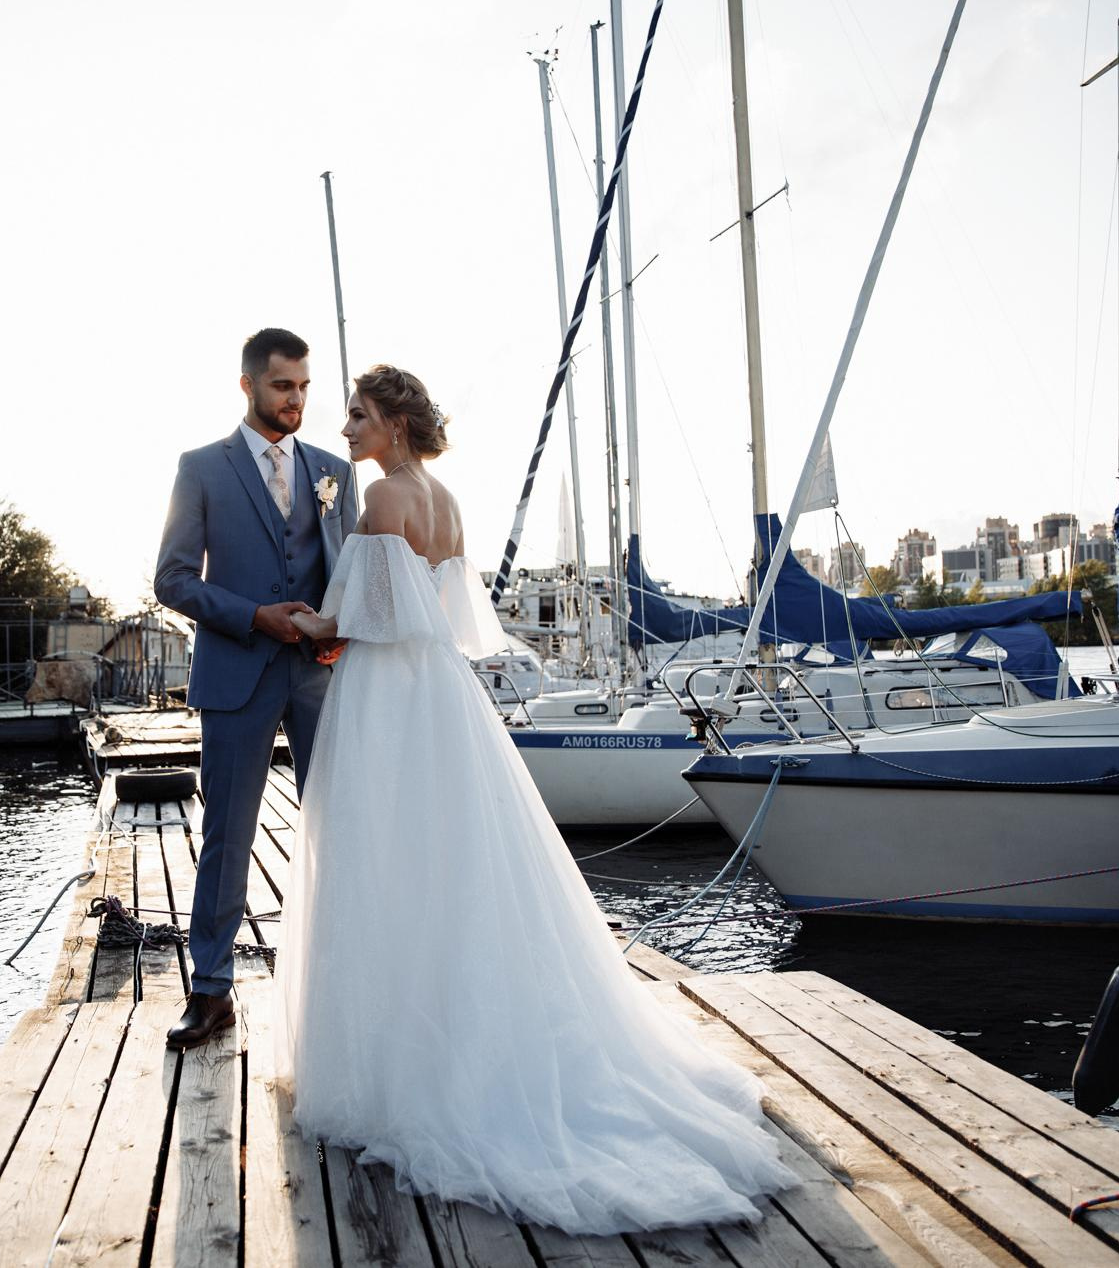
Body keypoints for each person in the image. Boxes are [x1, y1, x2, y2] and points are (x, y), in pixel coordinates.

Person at [278, 364, 798, 1233]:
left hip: (387, 697)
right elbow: (451, 620)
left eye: (359, 415)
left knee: (385, 862)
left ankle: (400, 1063)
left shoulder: (377, 505)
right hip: (444, 694)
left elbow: (365, 619)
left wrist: (306, 623)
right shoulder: (444, 499)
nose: (347, 428)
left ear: (396, 422)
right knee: (455, 861)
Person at [154, 328, 360, 1050]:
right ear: (248, 385)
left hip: (320, 675)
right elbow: (172, 579)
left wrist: (339, 625)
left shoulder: (336, 470)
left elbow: (353, 574)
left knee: (341, 829)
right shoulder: (202, 468)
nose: (296, 399)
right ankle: (210, 992)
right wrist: (252, 616)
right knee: (226, 838)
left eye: (303, 386)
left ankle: (346, 984)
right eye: (282, 386)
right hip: (237, 672)